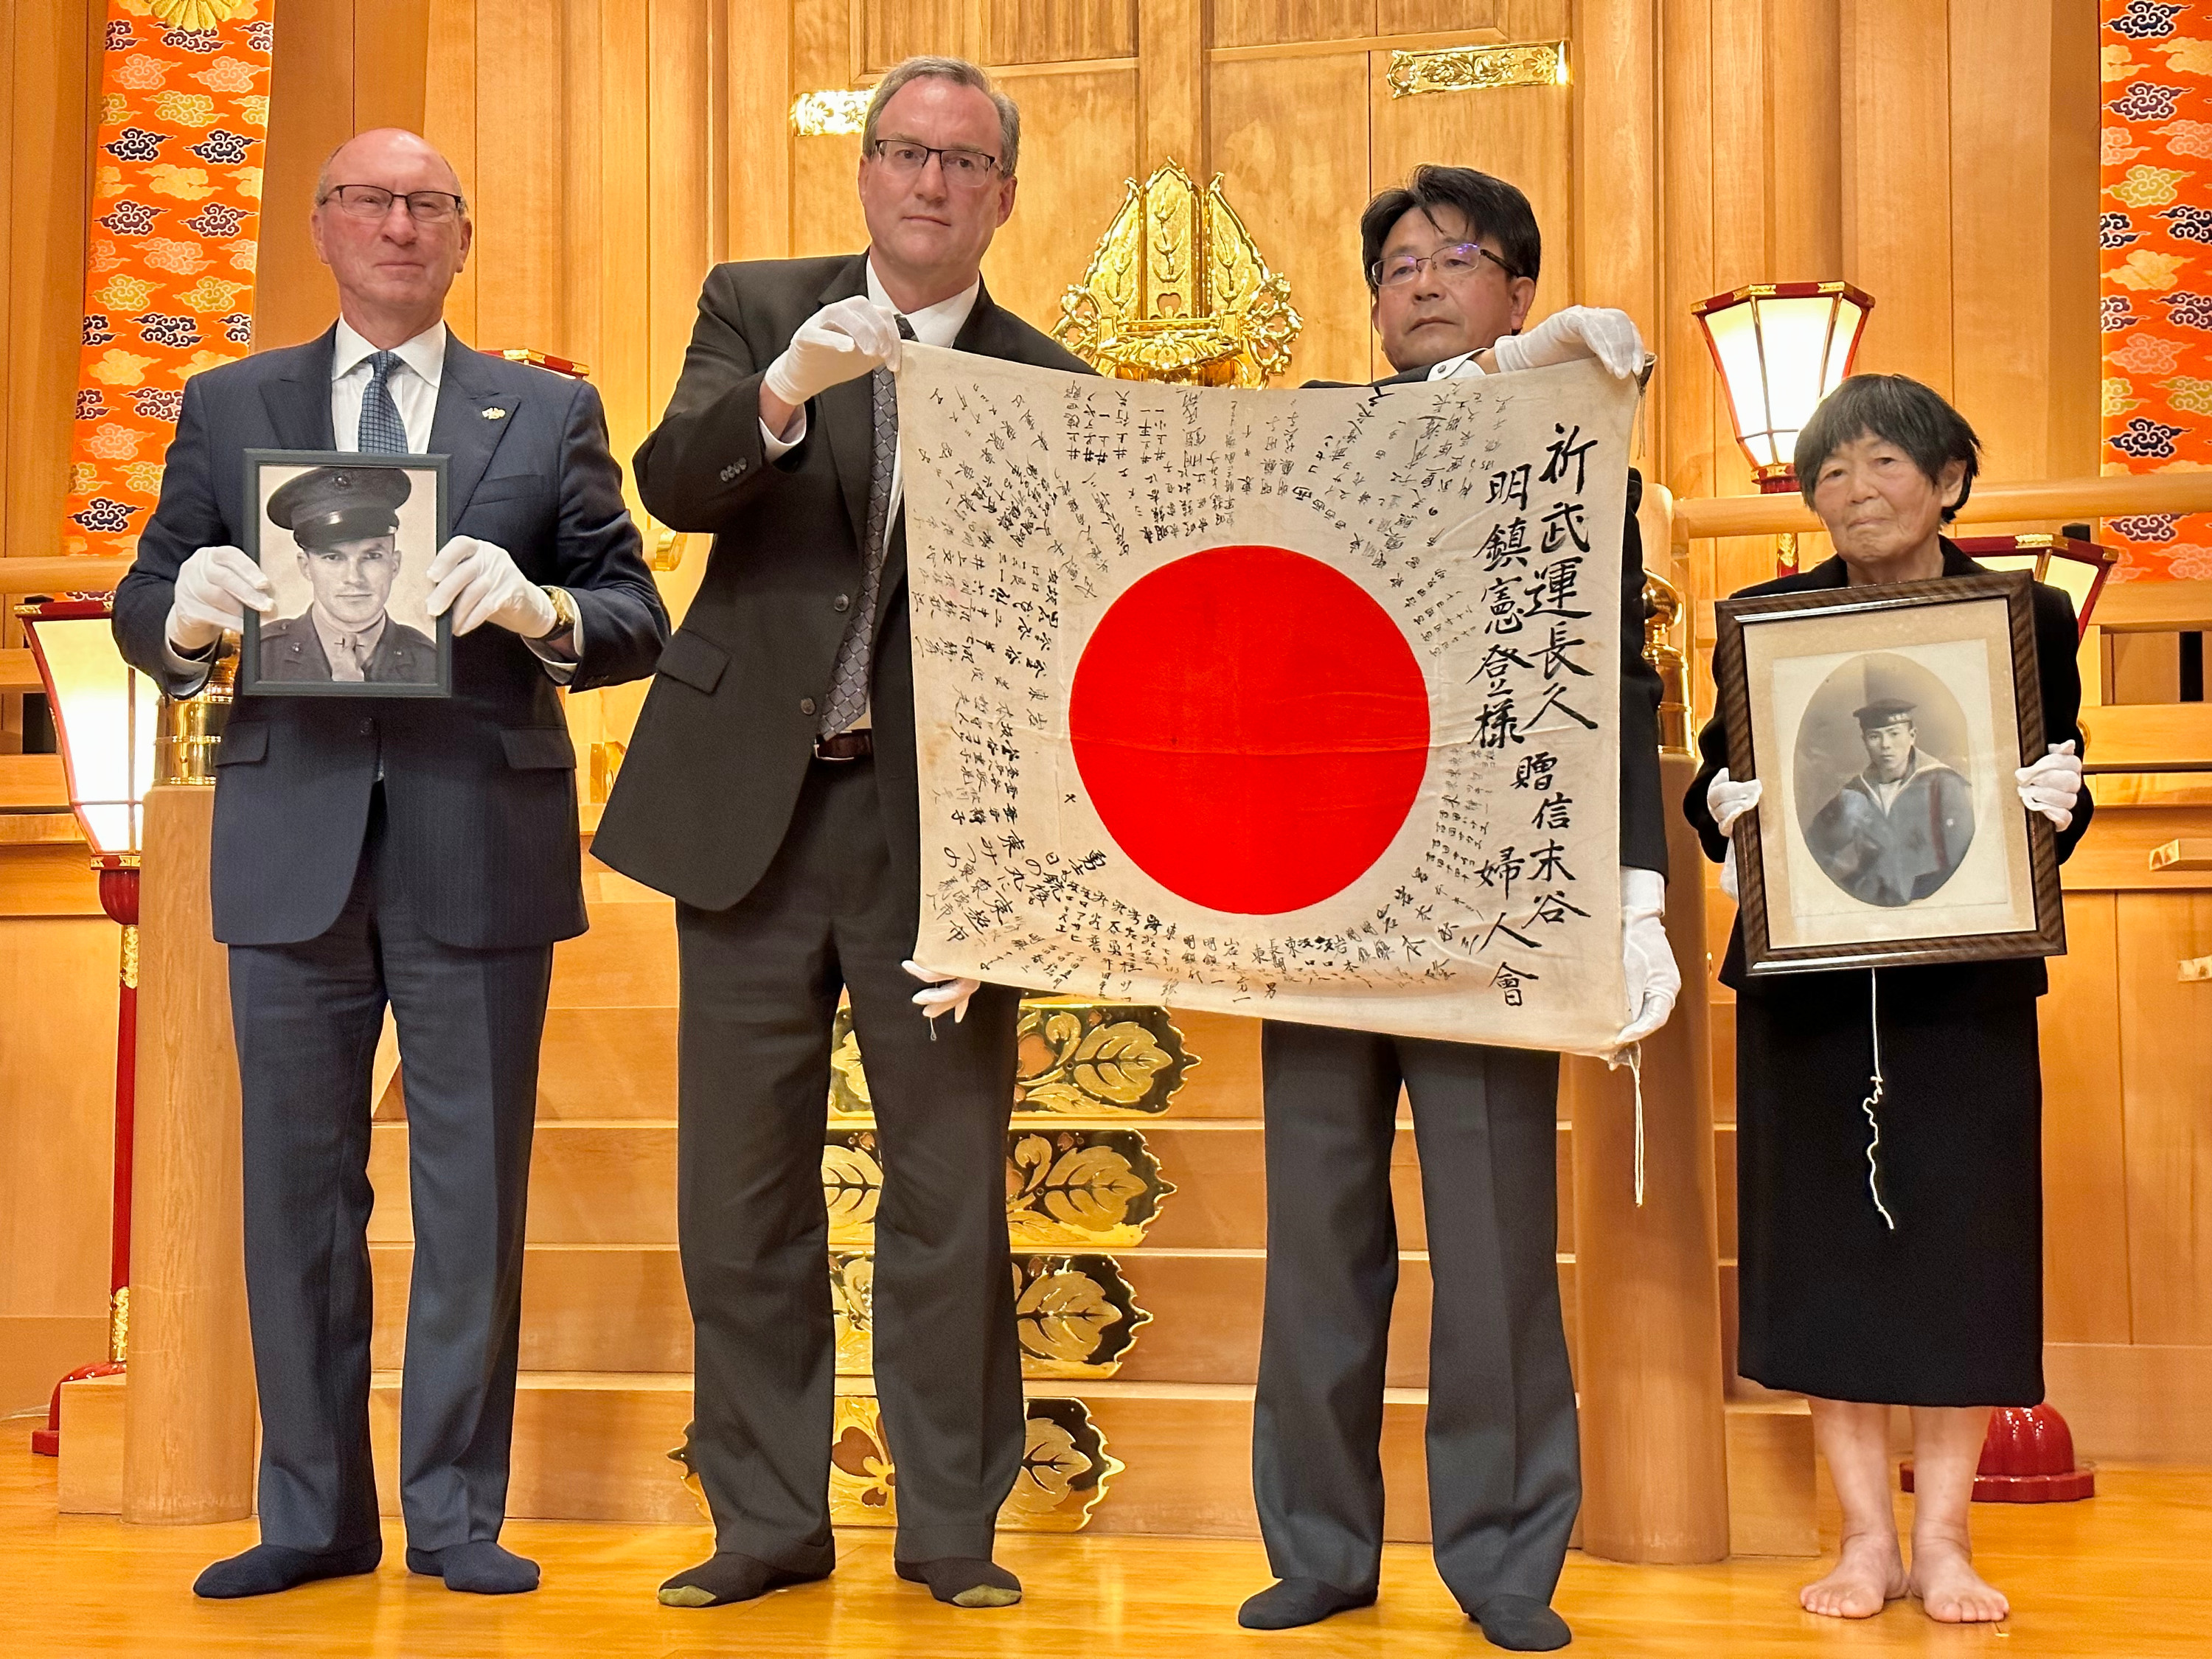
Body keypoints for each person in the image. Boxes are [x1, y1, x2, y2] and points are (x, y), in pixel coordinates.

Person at [113, 128, 668, 1599]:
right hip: (290, 838)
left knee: (472, 1196)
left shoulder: (544, 411)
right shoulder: (231, 404)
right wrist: (183, 618)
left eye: (428, 205)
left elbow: (634, 613)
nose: (399, 224)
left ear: (463, 237)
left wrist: (543, 606)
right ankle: (310, 1513)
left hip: (474, 840)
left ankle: (456, 1515)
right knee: (294, 1194)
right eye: (371, 200)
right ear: (324, 225)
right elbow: (144, 590)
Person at [591, 57, 1090, 1613]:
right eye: (902, 154)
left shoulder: (1048, 381)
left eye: (962, 161)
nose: (928, 183)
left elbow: (1063, 638)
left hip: (943, 842)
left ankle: (949, 1523)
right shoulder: (760, 305)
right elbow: (675, 488)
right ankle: (763, 1519)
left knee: (947, 1191)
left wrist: (1030, 881)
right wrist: (784, 393)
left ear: (1004, 194)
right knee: (738, 1193)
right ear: (864, 174)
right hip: (748, 813)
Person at [1237, 164, 1679, 1653]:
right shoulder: (1317, 434)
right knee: (1317, 1241)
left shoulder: (1575, 468)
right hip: (1318, 894)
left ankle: (1500, 1560)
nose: (1418, 282)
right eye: (1398, 265)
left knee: (1494, 1245)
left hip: (1491, 897)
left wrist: (1635, 896)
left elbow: (1613, 686)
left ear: (1521, 293)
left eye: (1457, 258)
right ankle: (1317, 1545)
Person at [1684, 374, 2088, 1625]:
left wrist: (2053, 806)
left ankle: (1950, 1541)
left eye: (1883, 466)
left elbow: (2058, 797)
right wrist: (1726, 811)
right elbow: (1716, 788)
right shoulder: (1763, 621)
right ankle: (1865, 1541)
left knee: (1965, 1256)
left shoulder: (2027, 618)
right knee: (1827, 1260)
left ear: (1950, 480)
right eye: (1832, 474)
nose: (1855, 494)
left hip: (1961, 992)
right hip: (1807, 991)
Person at [258, 465, 438, 683]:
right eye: (333, 557)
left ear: (394, 564)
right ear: (306, 566)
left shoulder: (430, 661)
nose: (354, 578)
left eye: (372, 557)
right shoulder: (263, 653)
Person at [1804, 695, 1975, 905]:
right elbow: (1814, 847)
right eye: (1875, 737)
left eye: (1894, 734)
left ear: (1912, 736)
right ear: (1864, 741)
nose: (1886, 745)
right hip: (1875, 906)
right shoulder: (1855, 792)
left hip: (1937, 902)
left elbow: (1966, 856)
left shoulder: (1944, 785)